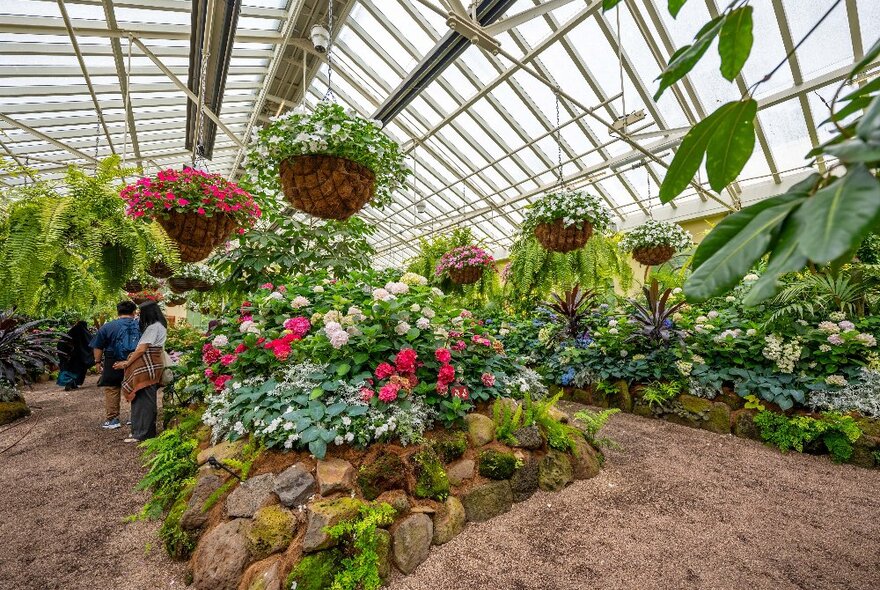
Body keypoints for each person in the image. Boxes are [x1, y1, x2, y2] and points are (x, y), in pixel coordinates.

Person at [115, 301, 167, 443]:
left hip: (146, 366)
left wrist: (127, 363)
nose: (138, 315)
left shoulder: (152, 328)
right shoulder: (160, 326)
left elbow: (142, 349)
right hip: (153, 365)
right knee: (144, 399)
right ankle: (140, 431)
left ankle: (143, 434)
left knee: (144, 401)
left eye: (140, 312)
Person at [90, 301, 141, 430]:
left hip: (113, 361)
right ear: (134, 312)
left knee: (112, 389)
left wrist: (97, 362)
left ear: (118, 312)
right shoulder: (140, 325)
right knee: (137, 388)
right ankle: (134, 418)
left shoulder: (108, 327)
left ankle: (113, 419)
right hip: (135, 361)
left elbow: (98, 346)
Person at [57, 320, 94, 391]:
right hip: (80, 357)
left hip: (69, 356)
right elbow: (91, 343)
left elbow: (61, 343)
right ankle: (73, 383)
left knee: (69, 369)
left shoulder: (71, 332)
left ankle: (71, 383)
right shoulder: (85, 333)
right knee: (79, 370)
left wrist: (64, 354)